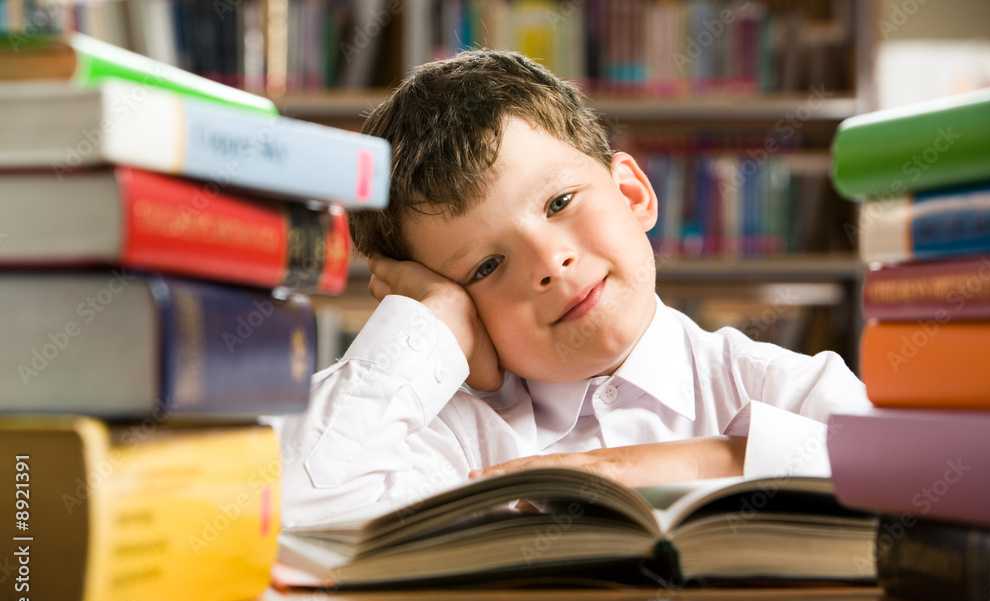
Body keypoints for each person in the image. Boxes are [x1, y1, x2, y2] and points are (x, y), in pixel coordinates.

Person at [277, 49, 871, 527]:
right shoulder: (439, 433)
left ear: (633, 194)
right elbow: (293, 504)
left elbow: (939, 478)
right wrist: (431, 319)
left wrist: (722, 459)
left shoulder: (780, 387)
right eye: (484, 267)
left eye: (559, 202)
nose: (549, 263)